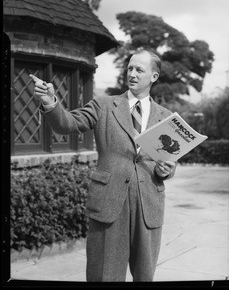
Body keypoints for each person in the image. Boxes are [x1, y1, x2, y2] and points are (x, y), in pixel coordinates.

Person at [29, 49, 176, 282]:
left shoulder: (166, 117)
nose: (133, 74)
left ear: (154, 77)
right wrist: (50, 102)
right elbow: (69, 123)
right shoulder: (104, 105)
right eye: (130, 68)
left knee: (145, 276)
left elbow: (168, 161)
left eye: (139, 70)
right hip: (109, 201)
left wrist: (166, 170)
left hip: (149, 205)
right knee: (103, 275)